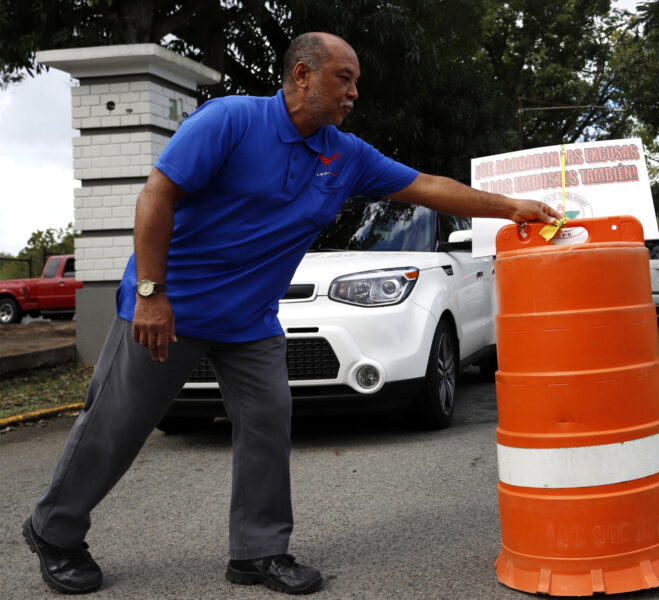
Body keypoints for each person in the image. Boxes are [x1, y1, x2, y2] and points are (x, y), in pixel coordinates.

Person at [22, 32, 560, 596]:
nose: (353, 93)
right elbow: (156, 196)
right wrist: (153, 295)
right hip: (171, 307)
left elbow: (426, 186)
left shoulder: (344, 155)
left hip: (250, 320)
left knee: (267, 423)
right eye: (343, 78)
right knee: (117, 424)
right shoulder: (230, 121)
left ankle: (258, 552)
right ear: (302, 75)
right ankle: (54, 530)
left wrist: (508, 207)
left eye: (356, 82)